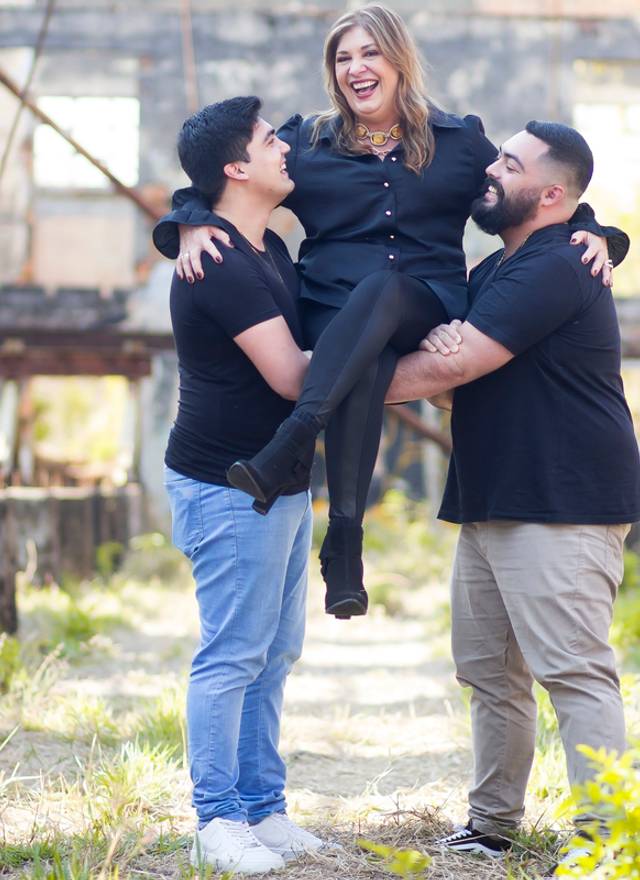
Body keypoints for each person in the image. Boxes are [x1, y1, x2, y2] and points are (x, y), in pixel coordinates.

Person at [154, 5, 623, 621]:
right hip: (330, 317)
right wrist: (187, 224)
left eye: (369, 53)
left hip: (425, 306)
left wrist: (596, 233)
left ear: (398, 60)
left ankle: (298, 441)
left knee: (388, 286)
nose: (356, 68)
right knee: (364, 341)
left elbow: (530, 187)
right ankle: (345, 546)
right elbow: (224, 174)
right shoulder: (308, 142)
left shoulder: (458, 143)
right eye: (343, 58)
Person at [382, 121, 639, 876]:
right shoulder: (501, 265)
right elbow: (457, 381)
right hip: (494, 495)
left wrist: (320, 392)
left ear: (551, 194)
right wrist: (448, 369)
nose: (490, 170)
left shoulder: (557, 265)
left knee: (574, 671)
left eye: (510, 164)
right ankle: (492, 825)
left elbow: (450, 369)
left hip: (564, 499)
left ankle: (608, 841)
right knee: (490, 674)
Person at [164, 95, 328, 875]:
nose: (284, 150)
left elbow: (295, 136)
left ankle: (264, 809)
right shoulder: (220, 261)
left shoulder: (260, 243)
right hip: (228, 484)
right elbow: (296, 378)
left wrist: (184, 210)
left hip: (281, 482)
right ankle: (217, 817)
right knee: (232, 655)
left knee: (274, 652)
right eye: (269, 143)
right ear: (238, 168)